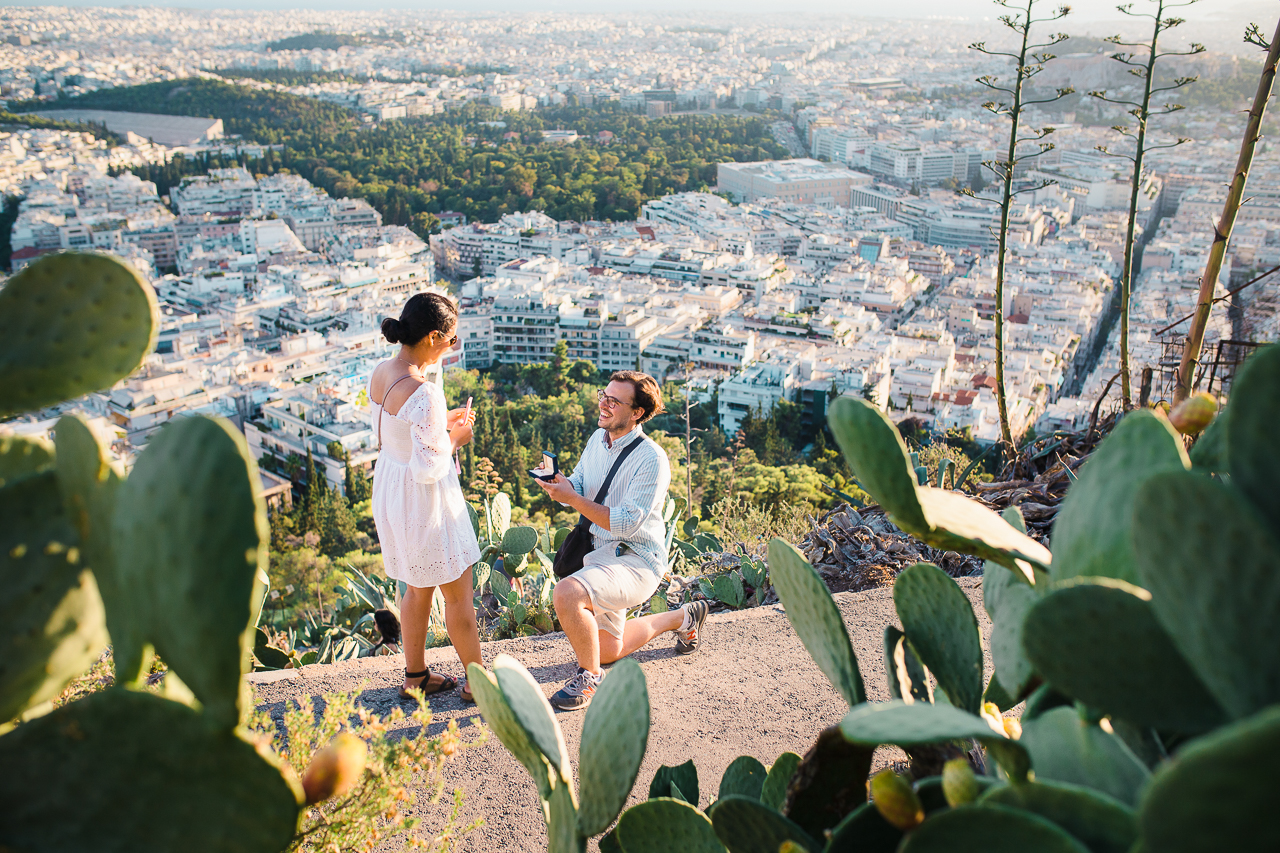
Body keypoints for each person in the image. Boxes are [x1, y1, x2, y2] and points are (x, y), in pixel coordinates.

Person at [536, 371, 710, 711]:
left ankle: (589, 677)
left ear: (637, 413)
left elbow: (626, 523)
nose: (604, 403)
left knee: (567, 594)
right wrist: (559, 486)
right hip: (599, 556)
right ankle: (683, 618)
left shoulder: (652, 459)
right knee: (608, 650)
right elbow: (581, 488)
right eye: (605, 395)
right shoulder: (597, 440)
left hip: (636, 559)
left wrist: (572, 499)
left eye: (615, 401)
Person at [368, 292, 482, 703]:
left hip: (391, 489)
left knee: (415, 589)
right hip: (425, 499)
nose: (451, 348)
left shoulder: (382, 371)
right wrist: (456, 437)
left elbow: (398, 430)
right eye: (451, 340)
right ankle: (478, 682)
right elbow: (430, 466)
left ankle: (415, 676)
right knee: (458, 595)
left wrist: (439, 429)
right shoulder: (427, 391)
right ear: (434, 336)